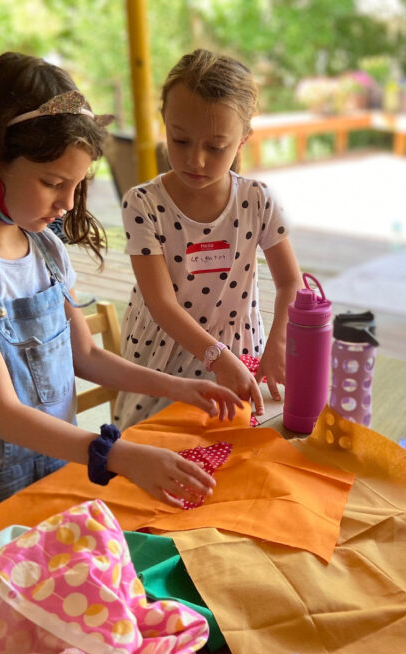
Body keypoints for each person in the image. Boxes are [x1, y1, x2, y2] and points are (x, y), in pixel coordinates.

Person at [0, 52, 241, 530]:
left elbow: (83, 355)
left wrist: (177, 386)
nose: (66, 203)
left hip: (62, 455)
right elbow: (4, 415)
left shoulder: (44, 246)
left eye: (77, 185)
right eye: (52, 183)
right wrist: (117, 453)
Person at [112, 49, 303, 429]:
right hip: (162, 353)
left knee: (233, 442)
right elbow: (161, 303)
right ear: (164, 124)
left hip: (238, 347)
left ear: (243, 140)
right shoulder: (143, 203)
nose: (196, 160)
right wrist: (216, 355)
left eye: (215, 147)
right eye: (180, 140)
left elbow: (290, 282)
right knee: (154, 442)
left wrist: (279, 341)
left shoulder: (258, 200)